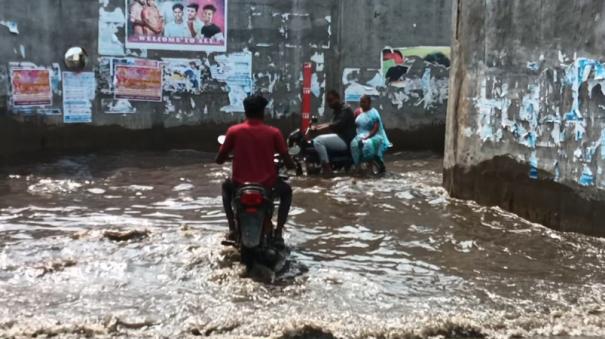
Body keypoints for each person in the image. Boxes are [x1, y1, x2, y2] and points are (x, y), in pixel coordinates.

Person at [216, 95, 296, 246]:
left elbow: (219, 159)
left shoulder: (234, 131)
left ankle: (232, 228)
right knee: (286, 191)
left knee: (226, 187)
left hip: (240, 186)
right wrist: (291, 165)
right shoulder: (274, 133)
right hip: (267, 187)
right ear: (263, 112)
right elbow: (287, 159)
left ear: (245, 111)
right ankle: (278, 231)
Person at [307, 90, 356, 176]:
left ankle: (327, 168)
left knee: (318, 141)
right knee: (318, 139)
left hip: (345, 139)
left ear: (338, 98)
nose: (330, 103)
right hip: (340, 137)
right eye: (328, 101)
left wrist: (317, 130)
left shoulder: (345, 109)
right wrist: (317, 127)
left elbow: (334, 125)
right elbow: (330, 123)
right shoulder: (338, 110)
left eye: (331, 100)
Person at [350, 95, 392, 174]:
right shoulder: (357, 112)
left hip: (373, 135)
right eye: (361, 102)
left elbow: (375, 128)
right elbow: (353, 124)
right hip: (359, 135)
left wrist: (367, 137)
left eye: (364, 102)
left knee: (368, 145)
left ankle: (370, 166)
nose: (362, 104)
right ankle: (357, 167)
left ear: (369, 103)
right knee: (354, 144)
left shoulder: (374, 112)